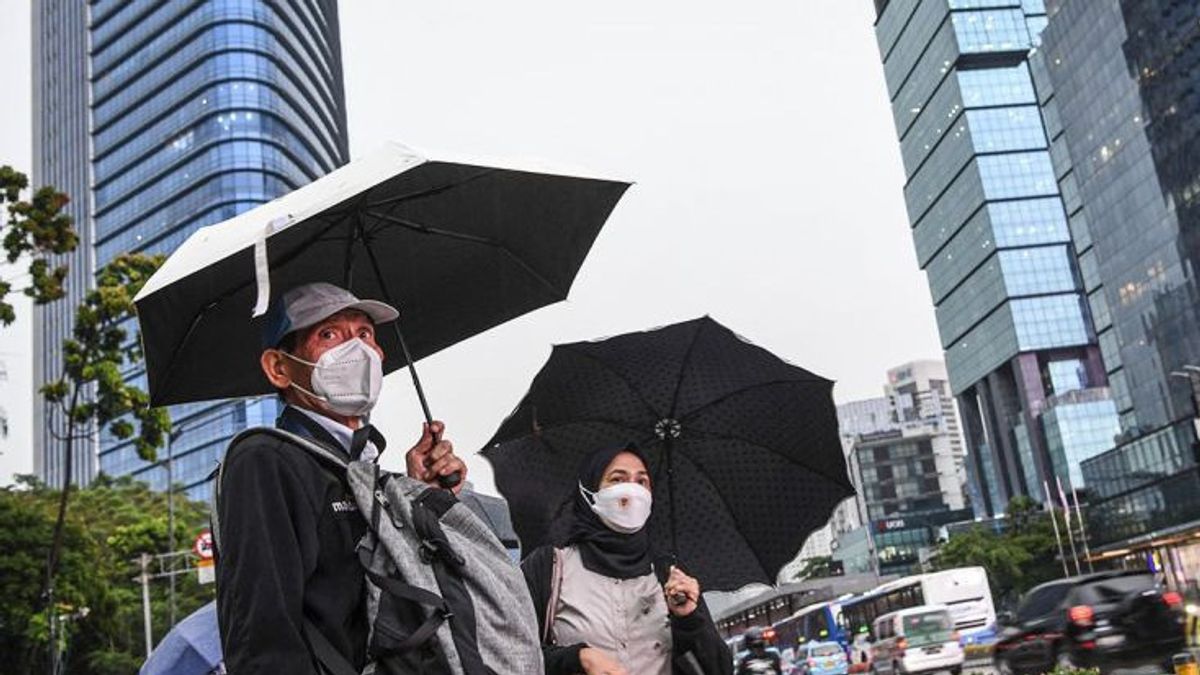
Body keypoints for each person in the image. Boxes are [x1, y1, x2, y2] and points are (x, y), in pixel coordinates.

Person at [215, 282, 468, 674]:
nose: (357, 350)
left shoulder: (364, 469)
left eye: (364, 334)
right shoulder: (265, 462)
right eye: (329, 334)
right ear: (279, 368)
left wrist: (420, 496)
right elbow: (263, 634)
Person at [521, 444, 732, 675]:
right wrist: (577, 658)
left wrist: (689, 619)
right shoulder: (549, 568)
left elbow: (718, 669)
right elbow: (512, 652)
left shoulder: (668, 575)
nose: (632, 490)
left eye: (641, 482)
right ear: (588, 491)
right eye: (618, 479)